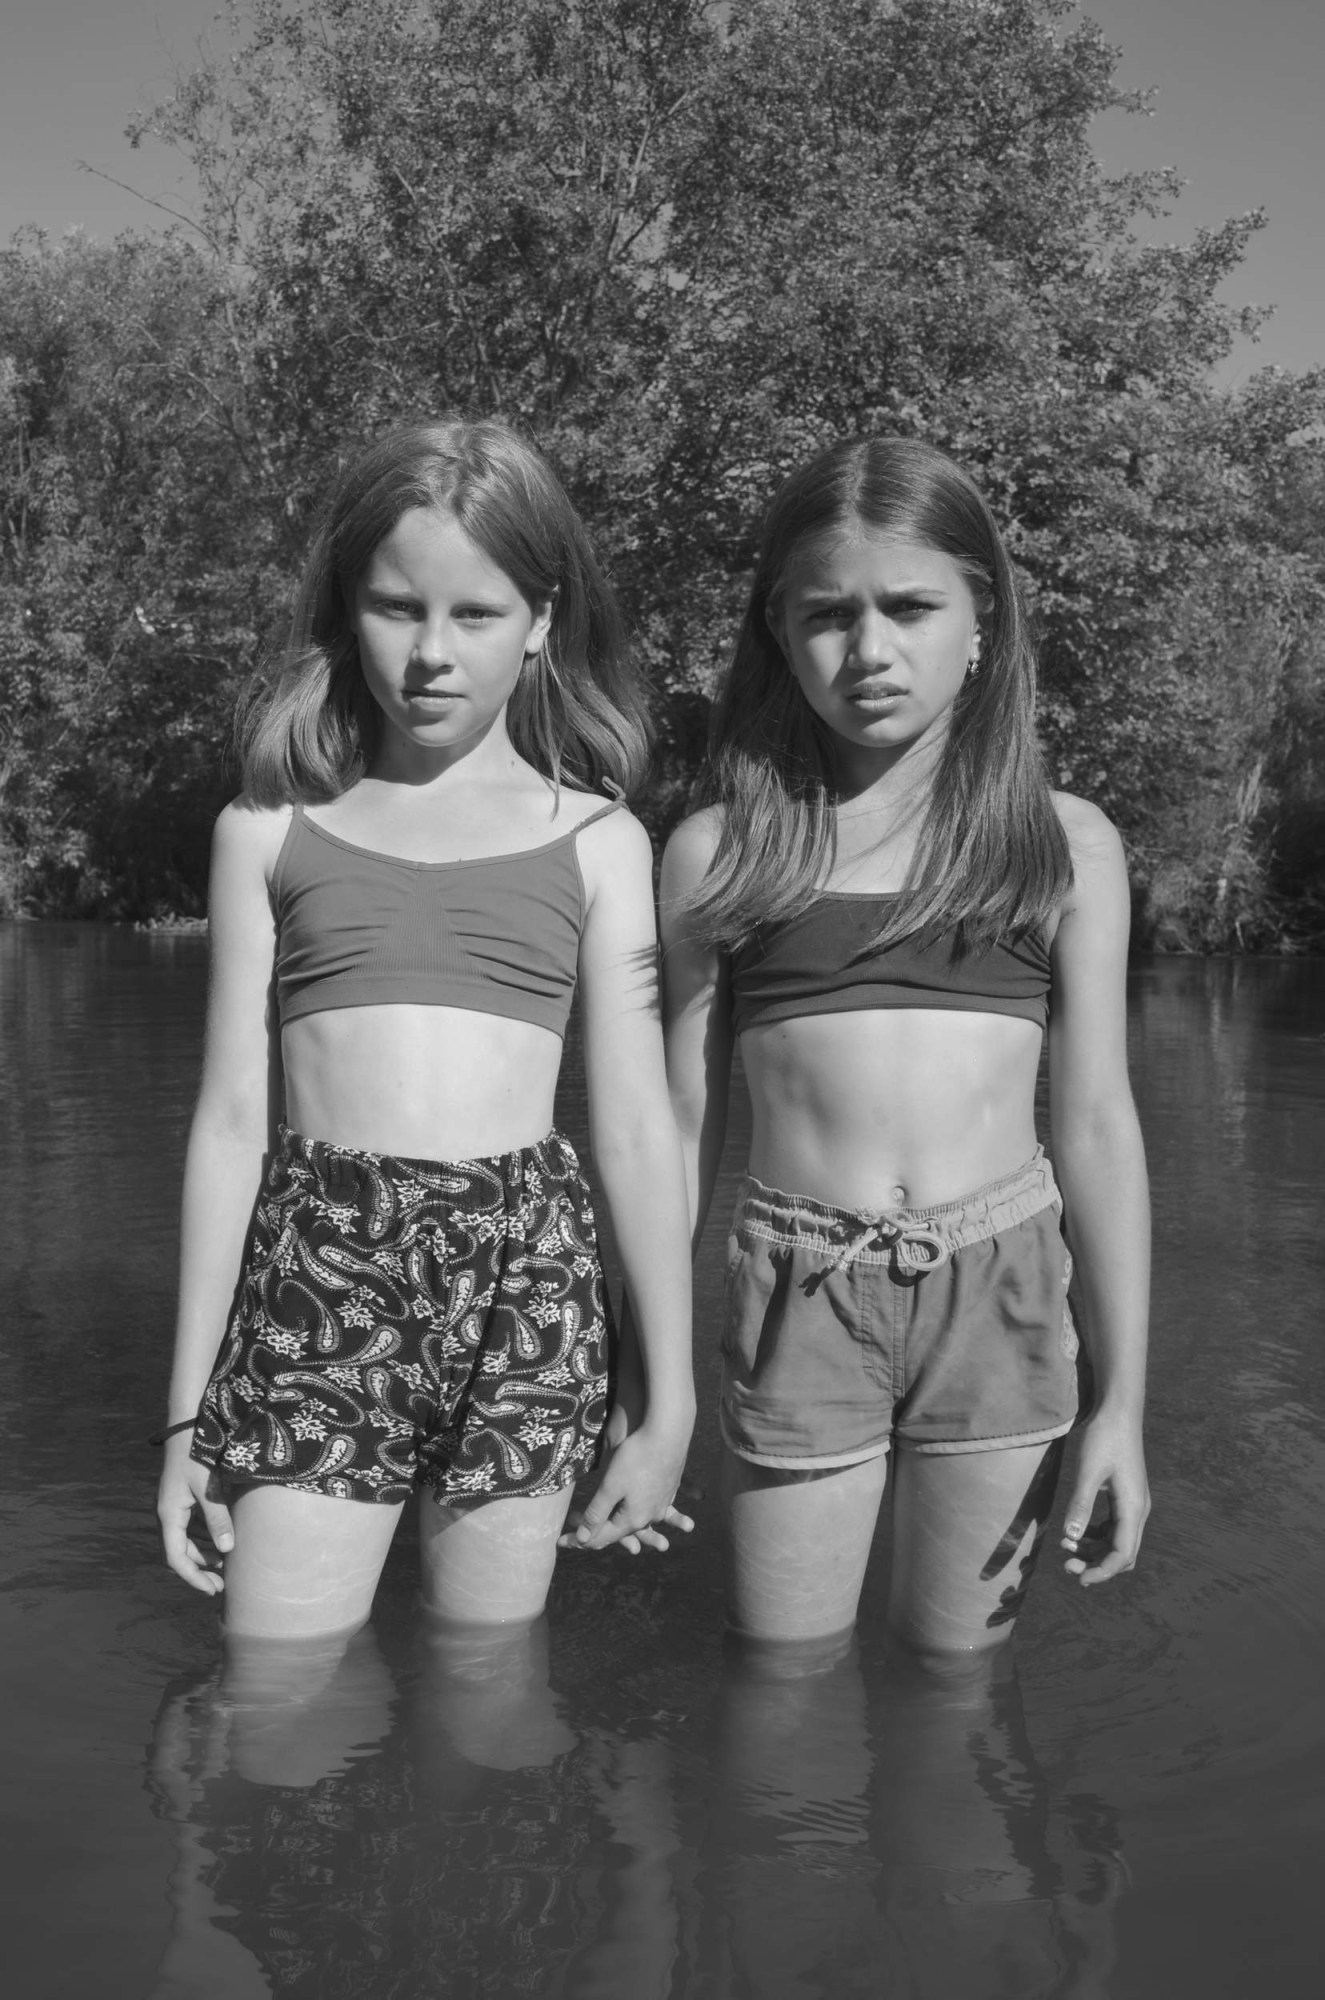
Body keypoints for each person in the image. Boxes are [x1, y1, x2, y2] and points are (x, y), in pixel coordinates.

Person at [156, 418, 695, 1640]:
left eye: (477, 615)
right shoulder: (269, 827)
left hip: (531, 1281)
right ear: (349, 607)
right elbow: (233, 1125)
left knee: (486, 1677)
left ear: (542, 618)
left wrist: (667, 1405)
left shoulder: (601, 841)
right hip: (318, 1273)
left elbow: (635, 1130)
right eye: (399, 608)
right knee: (272, 1674)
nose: (432, 655)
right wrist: (189, 1411)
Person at [661, 435, 1149, 1656]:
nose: (868, 651)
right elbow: (678, 1130)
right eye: (827, 614)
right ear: (778, 631)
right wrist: (645, 1374)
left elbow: (1094, 1124)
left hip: (1001, 1283)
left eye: (910, 607)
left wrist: (1121, 1406)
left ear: (979, 619)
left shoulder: (1060, 844)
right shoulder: (720, 853)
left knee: (956, 1679)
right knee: (779, 1674)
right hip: (797, 1289)